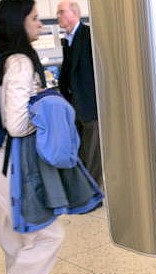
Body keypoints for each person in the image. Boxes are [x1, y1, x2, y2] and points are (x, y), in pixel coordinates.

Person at [0, 0, 64, 274]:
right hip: (9, 165)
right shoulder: (20, 61)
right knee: (47, 235)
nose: (39, 24)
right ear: (19, 21)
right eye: (34, 18)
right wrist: (45, 122)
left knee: (15, 240)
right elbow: (16, 123)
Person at [57, 0, 103, 186]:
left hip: (90, 107)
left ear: (73, 13)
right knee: (82, 151)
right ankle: (85, 190)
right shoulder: (68, 40)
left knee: (93, 153)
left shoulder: (88, 35)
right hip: (75, 107)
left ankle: (93, 191)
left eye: (61, 12)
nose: (58, 16)